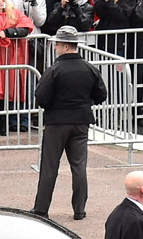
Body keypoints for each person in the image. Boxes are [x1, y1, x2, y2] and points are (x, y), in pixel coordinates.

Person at [31, 25, 107, 220]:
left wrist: (52, 105)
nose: (55, 47)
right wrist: (86, 102)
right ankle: (79, 210)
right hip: (81, 121)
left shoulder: (55, 69)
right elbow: (101, 94)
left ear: (64, 46)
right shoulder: (89, 68)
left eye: (57, 44)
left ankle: (41, 209)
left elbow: (41, 96)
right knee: (79, 166)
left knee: (49, 167)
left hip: (57, 122)